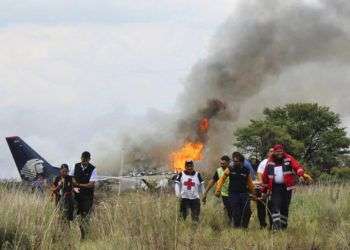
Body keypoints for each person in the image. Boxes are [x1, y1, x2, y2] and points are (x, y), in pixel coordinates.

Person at [261, 144, 312, 230]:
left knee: (284, 207)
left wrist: (301, 175)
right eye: (277, 152)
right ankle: (276, 228)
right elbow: (265, 177)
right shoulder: (270, 161)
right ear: (274, 152)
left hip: (286, 188)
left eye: (281, 151)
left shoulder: (288, 158)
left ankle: (283, 227)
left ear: (283, 151)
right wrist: (264, 191)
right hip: (275, 188)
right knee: (275, 207)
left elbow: (297, 167)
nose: (279, 153)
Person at [216, 152, 256, 228]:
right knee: (236, 212)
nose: (234, 163)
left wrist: (254, 193)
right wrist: (218, 190)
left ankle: (244, 227)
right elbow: (222, 179)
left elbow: (250, 183)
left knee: (247, 211)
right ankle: (237, 228)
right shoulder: (230, 169)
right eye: (234, 161)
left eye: (236, 161)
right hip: (233, 193)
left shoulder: (246, 170)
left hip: (244, 193)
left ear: (241, 162)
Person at [70, 151, 97, 239]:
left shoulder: (93, 169)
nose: (83, 161)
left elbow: (91, 184)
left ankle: (84, 237)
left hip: (87, 197)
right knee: (73, 215)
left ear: (89, 160)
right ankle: (74, 235)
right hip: (76, 196)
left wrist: (78, 185)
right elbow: (71, 177)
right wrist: (74, 184)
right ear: (81, 158)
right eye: (82, 159)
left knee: (85, 216)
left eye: (85, 160)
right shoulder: (76, 166)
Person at [202, 155, 232, 221]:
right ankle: (230, 224)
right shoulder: (218, 171)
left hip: (233, 193)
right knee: (228, 209)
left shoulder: (232, 169)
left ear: (228, 162)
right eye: (221, 163)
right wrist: (205, 192)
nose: (221, 165)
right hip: (225, 194)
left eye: (223, 164)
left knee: (234, 210)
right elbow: (212, 181)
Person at [255, 148, 274, 229]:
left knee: (271, 207)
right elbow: (259, 173)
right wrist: (263, 186)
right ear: (268, 153)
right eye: (271, 151)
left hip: (273, 189)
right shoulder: (263, 162)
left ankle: (272, 225)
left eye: (274, 151)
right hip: (262, 188)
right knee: (261, 207)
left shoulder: (278, 162)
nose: (272, 153)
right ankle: (262, 224)